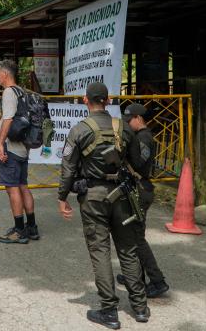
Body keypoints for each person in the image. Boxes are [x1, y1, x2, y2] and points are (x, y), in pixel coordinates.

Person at [58, 82, 150, 329]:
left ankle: (109, 310)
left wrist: (62, 196)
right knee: (128, 249)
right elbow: (139, 163)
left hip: (93, 197)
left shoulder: (79, 130)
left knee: (100, 251)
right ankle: (140, 307)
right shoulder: (124, 129)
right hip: (122, 195)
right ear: (108, 101)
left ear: (86, 101)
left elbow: (67, 167)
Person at [116, 103, 169, 298]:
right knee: (133, 235)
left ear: (138, 118)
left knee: (137, 239)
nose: (128, 124)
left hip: (141, 190)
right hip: (136, 189)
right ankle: (136, 275)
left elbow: (140, 163)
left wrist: (127, 148)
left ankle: (157, 281)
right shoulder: (138, 136)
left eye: (130, 121)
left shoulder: (144, 137)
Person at [0, 59, 39, 244]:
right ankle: (32, 227)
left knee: (12, 189)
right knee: (23, 186)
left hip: (11, 149)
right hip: (23, 148)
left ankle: (19, 230)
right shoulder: (23, 92)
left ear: (5, 74)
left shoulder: (8, 92)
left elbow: (8, 119)